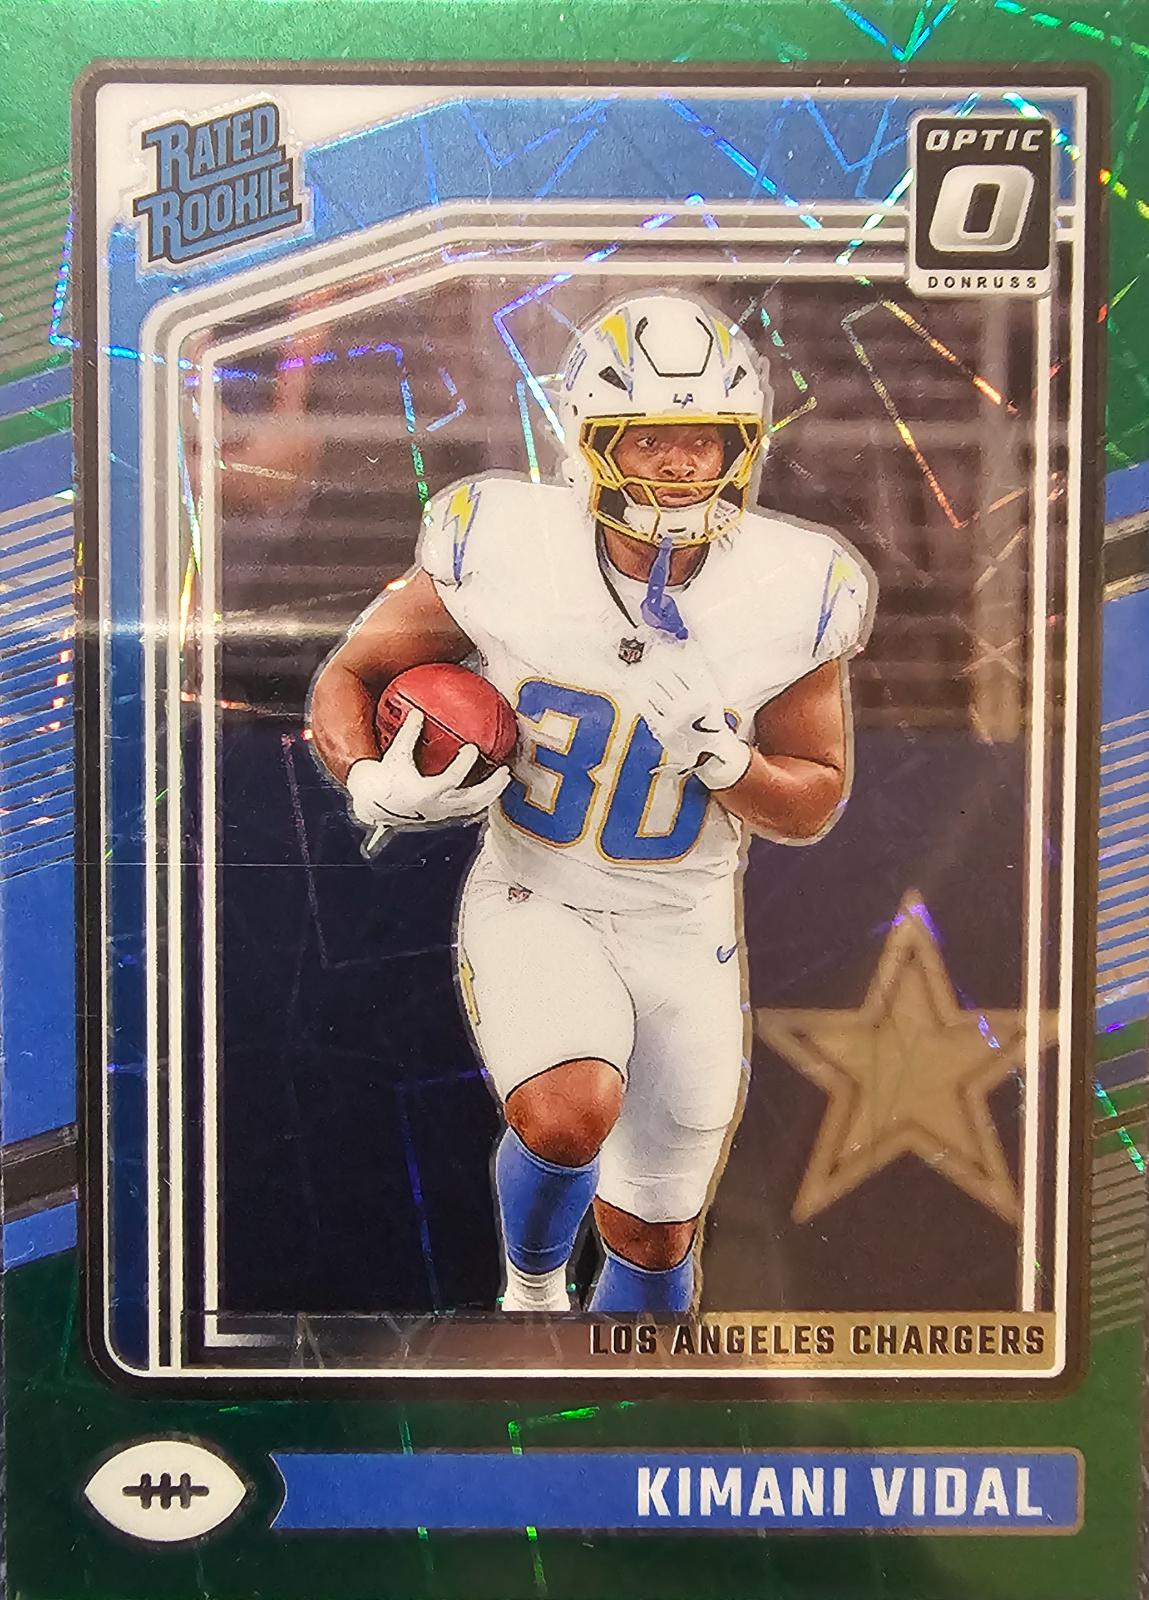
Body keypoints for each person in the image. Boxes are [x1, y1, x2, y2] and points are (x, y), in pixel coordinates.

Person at [309, 292, 874, 1314]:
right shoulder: (503, 540)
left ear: (740, 445)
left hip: (685, 922)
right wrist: (368, 777)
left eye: (703, 438)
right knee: (571, 1112)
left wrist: (729, 765)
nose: (680, 464)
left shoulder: (797, 585)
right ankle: (531, 1298)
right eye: (649, 437)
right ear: (593, 441)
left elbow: (813, 799)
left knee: (655, 1238)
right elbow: (351, 674)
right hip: (539, 890)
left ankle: (633, 1389)